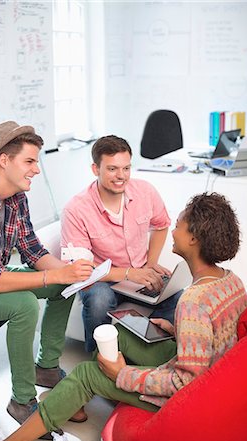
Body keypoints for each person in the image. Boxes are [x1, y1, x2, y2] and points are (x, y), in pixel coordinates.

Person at [0, 192, 247, 441]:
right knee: (118, 332)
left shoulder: (193, 300)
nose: (173, 230)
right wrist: (177, 331)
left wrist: (123, 375)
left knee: (87, 374)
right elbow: (218, 341)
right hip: (209, 373)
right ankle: (74, 395)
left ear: (193, 238)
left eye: (178, 225)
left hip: (190, 399)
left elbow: (184, 384)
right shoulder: (231, 280)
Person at [0, 121, 94, 435]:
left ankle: (45, 368)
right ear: (4, 160)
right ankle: (22, 400)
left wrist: (69, 274)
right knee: (25, 305)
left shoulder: (16, 197)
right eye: (29, 161)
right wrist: (56, 273)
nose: (36, 169)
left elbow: (32, 249)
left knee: (62, 285)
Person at [61, 135, 173, 352]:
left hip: (139, 272)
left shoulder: (145, 191)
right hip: (102, 279)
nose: (121, 176)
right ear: (96, 169)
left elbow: (161, 225)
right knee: (99, 299)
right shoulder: (76, 209)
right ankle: (98, 359)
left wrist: (150, 264)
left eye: (126, 168)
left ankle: (145, 352)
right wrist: (129, 274)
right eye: (112, 169)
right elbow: (81, 268)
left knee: (178, 295)